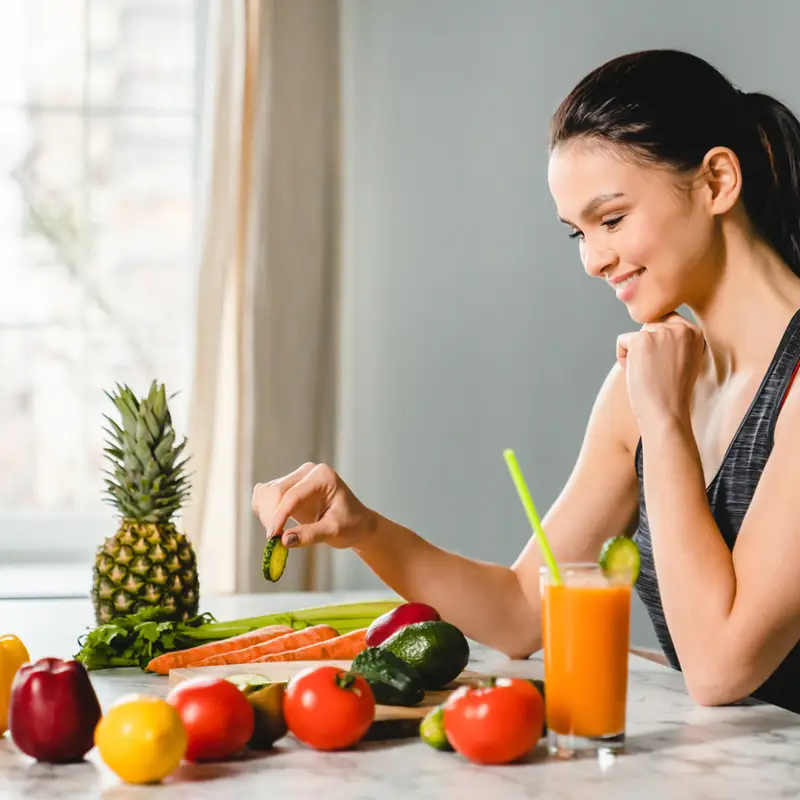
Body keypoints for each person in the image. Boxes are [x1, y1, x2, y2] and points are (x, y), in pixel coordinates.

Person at [251, 49, 800, 715]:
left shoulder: (668, 394)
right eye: (577, 233)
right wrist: (365, 528)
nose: (594, 260)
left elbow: (719, 669)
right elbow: (519, 613)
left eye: (612, 219)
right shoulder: (651, 382)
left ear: (716, 180)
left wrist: (664, 424)